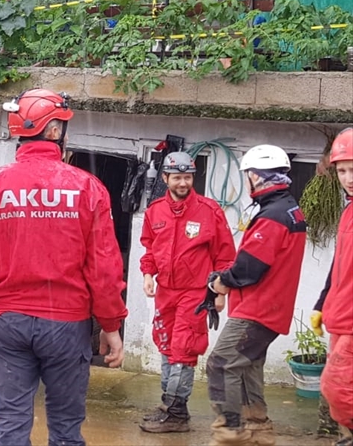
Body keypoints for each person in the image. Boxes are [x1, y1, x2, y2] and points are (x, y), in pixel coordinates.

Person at [0, 89, 127, 446]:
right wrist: (111, 326)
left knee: (11, 425)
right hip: (66, 325)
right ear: (52, 131)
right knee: (65, 428)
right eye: (62, 125)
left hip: (7, 323)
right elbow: (105, 269)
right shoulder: (87, 188)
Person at [205, 145, 308, 446]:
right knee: (247, 366)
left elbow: (249, 268)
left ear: (257, 176)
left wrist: (219, 283)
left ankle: (230, 430)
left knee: (222, 363)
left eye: (248, 174)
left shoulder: (273, 216)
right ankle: (258, 429)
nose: (247, 180)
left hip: (258, 309)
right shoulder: (288, 208)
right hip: (272, 308)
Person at [138, 152, 236, 433]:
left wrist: (221, 293)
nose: (183, 182)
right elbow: (150, 249)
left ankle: (178, 413)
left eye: (188, 177)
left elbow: (225, 256)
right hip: (165, 293)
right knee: (166, 346)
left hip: (194, 294)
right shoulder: (155, 210)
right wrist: (148, 275)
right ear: (166, 178)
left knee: (184, 348)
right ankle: (168, 405)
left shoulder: (209, 210)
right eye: (177, 177)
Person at [314, 129, 353, 446]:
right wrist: (320, 303)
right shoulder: (348, 213)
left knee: (337, 386)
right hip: (338, 315)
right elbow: (338, 265)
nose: (348, 177)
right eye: (342, 170)